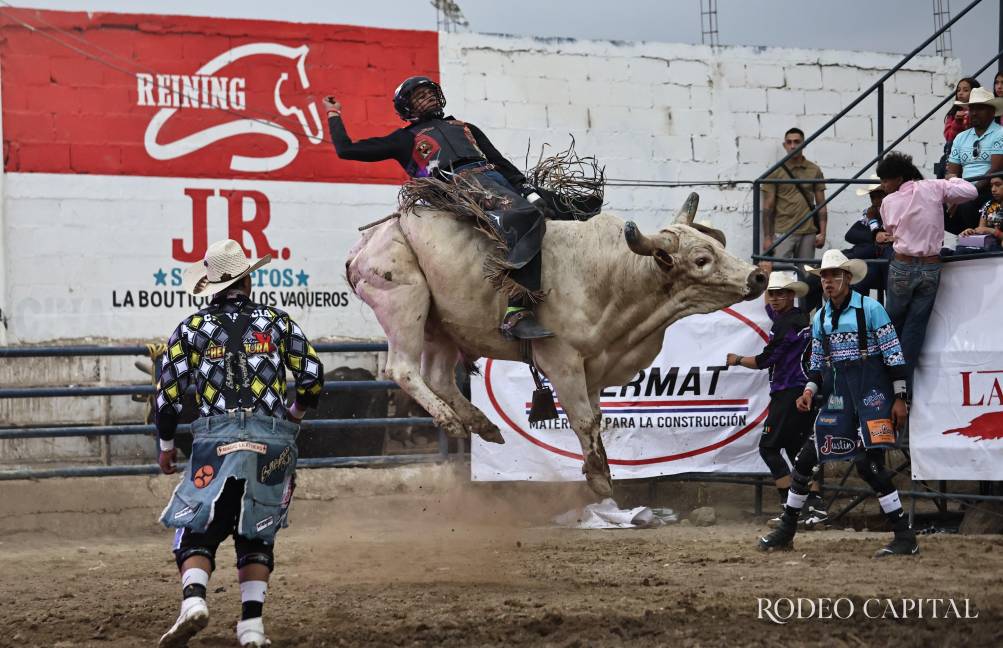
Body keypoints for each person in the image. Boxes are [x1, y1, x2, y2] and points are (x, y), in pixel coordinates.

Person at [155, 239, 325, 648]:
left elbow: (168, 397)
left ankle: (194, 601)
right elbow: (313, 377)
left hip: (217, 437)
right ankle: (251, 627)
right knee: (258, 529)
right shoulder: (278, 323)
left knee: (196, 527)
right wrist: (290, 419)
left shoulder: (191, 329)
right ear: (248, 280)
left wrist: (165, 445)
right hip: (272, 437)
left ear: (212, 286)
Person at [324, 76, 553, 340]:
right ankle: (517, 312)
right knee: (525, 218)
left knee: (573, 205)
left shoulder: (466, 127)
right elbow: (346, 150)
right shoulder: (404, 139)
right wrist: (334, 114)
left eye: (429, 93)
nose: (428, 98)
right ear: (407, 109)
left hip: (496, 180)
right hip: (462, 186)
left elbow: (499, 162)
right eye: (419, 97)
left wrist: (528, 190)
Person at [758, 250, 916, 558]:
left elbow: (894, 355)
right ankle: (787, 529)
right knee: (806, 459)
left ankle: (905, 536)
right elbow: (817, 362)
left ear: (847, 278)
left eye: (833, 275)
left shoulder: (871, 309)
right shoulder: (820, 317)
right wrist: (808, 390)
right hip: (839, 394)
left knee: (868, 466)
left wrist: (900, 398)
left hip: (873, 393)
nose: (828, 281)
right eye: (825, 277)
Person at [725, 271, 827, 529]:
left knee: (769, 448)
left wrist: (736, 359)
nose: (774, 299)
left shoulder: (786, 324)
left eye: (780, 293)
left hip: (788, 392)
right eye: (771, 293)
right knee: (798, 451)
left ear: (792, 295)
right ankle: (813, 507)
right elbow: (773, 313)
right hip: (801, 390)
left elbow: (765, 360)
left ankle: (788, 508)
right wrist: (766, 277)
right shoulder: (796, 318)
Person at [878, 152, 977, 390]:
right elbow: (971, 192)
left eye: (886, 180)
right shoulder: (934, 187)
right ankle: (904, 385)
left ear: (898, 178)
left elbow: (889, 227)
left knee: (892, 323)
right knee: (915, 326)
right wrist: (952, 178)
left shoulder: (889, 202)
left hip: (903, 264)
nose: (883, 185)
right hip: (931, 265)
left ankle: (886, 379)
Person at [761, 127, 828, 260]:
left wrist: (823, 233)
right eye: (789, 142)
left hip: (808, 231)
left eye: (797, 142)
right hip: (783, 231)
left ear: (804, 143)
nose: (793, 146)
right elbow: (767, 208)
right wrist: (767, 237)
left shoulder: (814, 170)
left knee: (805, 273)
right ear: (784, 145)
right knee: (779, 273)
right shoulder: (776, 171)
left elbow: (822, 204)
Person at [945, 86, 1003, 233]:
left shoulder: (1000, 133)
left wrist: (968, 192)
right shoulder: (960, 137)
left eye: (980, 108)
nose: (974, 113)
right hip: (964, 191)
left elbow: (995, 170)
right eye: (972, 109)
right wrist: (955, 193)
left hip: (988, 188)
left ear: (991, 111)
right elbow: (952, 172)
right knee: (934, 207)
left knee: (967, 205)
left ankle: (973, 240)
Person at [842, 178, 893, 296]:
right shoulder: (870, 213)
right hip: (863, 259)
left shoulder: (893, 214)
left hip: (881, 266)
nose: (876, 201)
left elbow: (885, 240)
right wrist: (874, 236)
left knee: (859, 281)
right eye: (873, 197)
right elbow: (850, 235)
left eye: (880, 196)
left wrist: (873, 223)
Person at [959, 174, 1003, 246]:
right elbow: (981, 229)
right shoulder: (989, 204)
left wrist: (992, 231)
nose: (993, 189)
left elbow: (987, 230)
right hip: (989, 245)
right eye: (991, 186)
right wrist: (971, 232)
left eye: (998, 185)